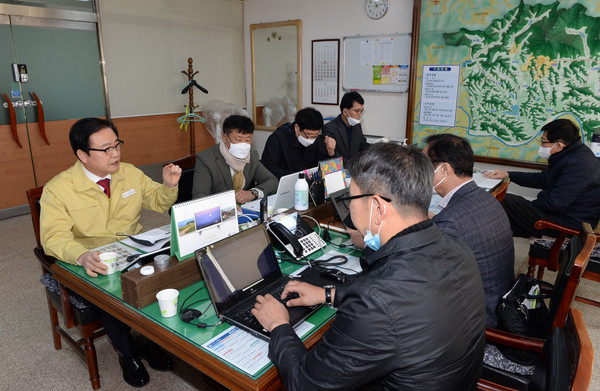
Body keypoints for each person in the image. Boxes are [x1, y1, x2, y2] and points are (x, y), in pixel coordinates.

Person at [252, 143, 486, 390]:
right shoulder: (458, 246)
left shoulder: (375, 302)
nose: (350, 209)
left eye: (350, 199)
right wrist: (329, 294)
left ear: (377, 208)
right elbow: (404, 295)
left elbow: (303, 384)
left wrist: (279, 326)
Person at [40, 117, 181, 388]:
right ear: (82, 154)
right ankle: (127, 354)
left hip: (135, 250)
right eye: (105, 149)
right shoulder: (58, 189)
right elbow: (53, 238)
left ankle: (148, 341)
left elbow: (157, 200)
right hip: (93, 259)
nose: (115, 153)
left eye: (116, 145)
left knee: (169, 274)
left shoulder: (129, 173)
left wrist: (169, 186)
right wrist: (81, 255)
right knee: (113, 294)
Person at [424, 134, 514, 327]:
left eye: (424, 164)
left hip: (478, 320)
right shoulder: (484, 197)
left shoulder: (451, 222)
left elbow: (427, 277)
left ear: (444, 169)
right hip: (499, 301)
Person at [484, 119, 600, 237]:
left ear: (559, 145)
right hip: (562, 213)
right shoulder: (572, 154)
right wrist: (508, 174)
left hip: (568, 224)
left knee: (503, 200)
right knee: (509, 208)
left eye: (544, 142)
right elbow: (541, 179)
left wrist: (530, 207)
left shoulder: (578, 165)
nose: (541, 146)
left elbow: (555, 204)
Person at [192, 115, 277, 203]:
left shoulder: (252, 156)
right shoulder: (206, 159)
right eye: (238, 140)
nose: (243, 145)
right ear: (225, 138)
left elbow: (273, 181)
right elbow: (199, 197)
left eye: (247, 140)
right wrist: (226, 206)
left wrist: (253, 193)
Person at [261, 107, 336, 179]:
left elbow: (327, 168)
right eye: (308, 135)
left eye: (315, 135)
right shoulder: (278, 138)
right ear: (297, 128)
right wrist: (295, 177)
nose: (311, 139)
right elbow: (267, 167)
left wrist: (331, 153)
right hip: (283, 183)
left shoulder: (318, 139)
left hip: (309, 184)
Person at [322, 91, 370, 162]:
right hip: (339, 168)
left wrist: (376, 148)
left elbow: (362, 145)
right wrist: (351, 165)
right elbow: (331, 154)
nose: (360, 115)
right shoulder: (329, 128)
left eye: (361, 111)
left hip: (354, 167)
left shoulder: (357, 125)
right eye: (357, 111)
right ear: (345, 112)